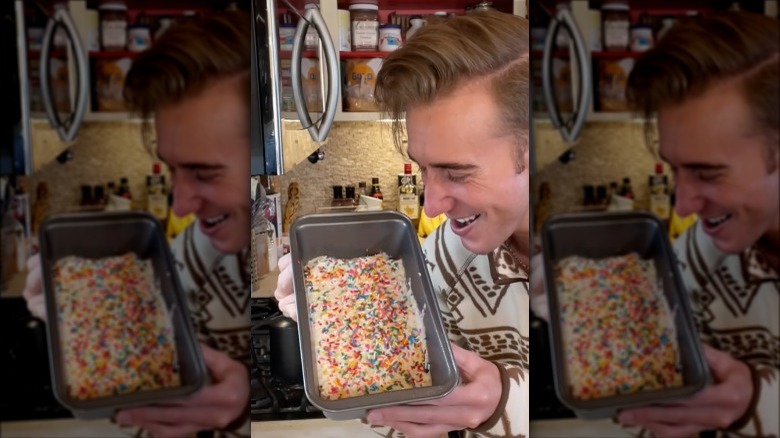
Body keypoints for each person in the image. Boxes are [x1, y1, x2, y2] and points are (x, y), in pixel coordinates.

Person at [275, 10, 529, 438]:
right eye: (424, 168)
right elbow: (401, 409)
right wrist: (337, 320)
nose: (430, 208)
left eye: (458, 173)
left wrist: (507, 406)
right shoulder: (450, 254)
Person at [531, 10, 778, 438]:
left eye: (708, 173)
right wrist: (578, 302)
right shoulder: (705, 250)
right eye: (675, 169)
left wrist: (760, 403)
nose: (682, 207)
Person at [23, 12, 252, 438]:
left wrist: (243, 413)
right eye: (173, 170)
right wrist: (78, 315)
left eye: (204, 173)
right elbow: (140, 385)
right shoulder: (190, 253)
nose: (181, 205)